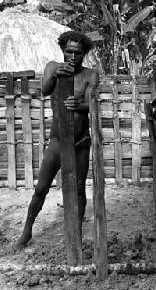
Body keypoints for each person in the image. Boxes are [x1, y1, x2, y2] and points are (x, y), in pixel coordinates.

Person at [16, 31, 98, 248]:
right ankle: (27, 231)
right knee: (41, 187)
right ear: (62, 50)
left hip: (81, 141)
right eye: (69, 51)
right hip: (58, 139)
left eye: (78, 53)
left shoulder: (90, 75)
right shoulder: (53, 67)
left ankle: (76, 234)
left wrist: (78, 105)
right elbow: (44, 90)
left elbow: (92, 105)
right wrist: (55, 76)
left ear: (84, 54)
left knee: (79, 188)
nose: (73, 56)